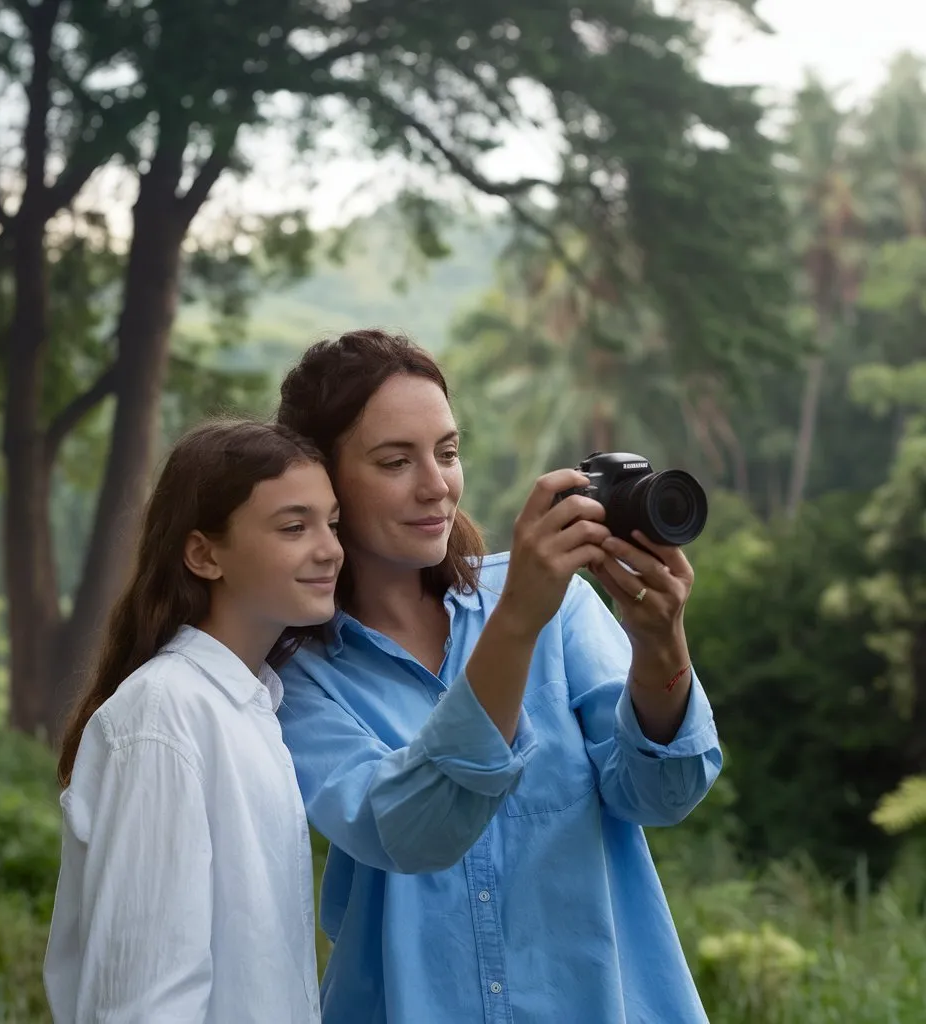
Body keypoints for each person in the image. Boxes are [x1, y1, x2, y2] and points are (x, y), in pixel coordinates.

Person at [274, 329, 722, 1024]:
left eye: (448, 453)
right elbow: (408, 831)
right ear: (323, 481)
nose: (436, 486)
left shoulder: (558, 601)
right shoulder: (299, 679)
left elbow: (661, 794)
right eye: (396, 462)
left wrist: (660, 641)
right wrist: (515, 624)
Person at [43, 418, 342, 1024]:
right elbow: (144, 1001)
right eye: (294, 527)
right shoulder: (165, 714)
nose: (330, 548)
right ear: (204, 554)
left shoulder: (251, 706)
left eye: (332, 523)